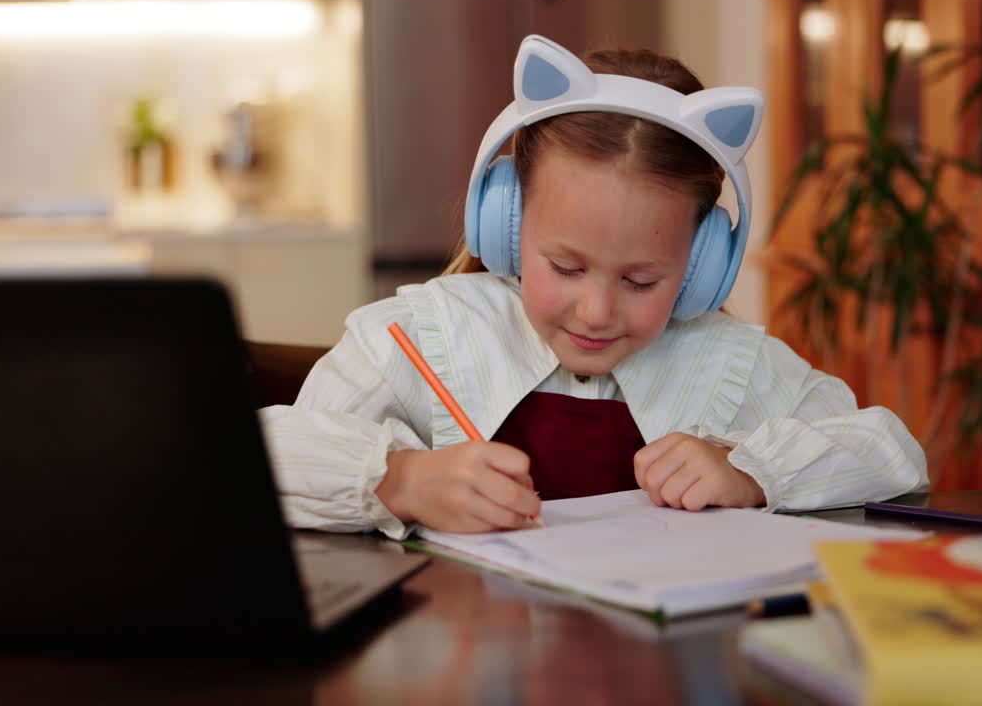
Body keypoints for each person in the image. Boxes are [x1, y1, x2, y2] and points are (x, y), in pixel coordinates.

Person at [260, 35, 927, 537]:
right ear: (507, 227)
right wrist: (397, 479)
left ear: (701, 264)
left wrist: (755, 471)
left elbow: (892, 451)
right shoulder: (420, 336)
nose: (597, 310)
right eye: (567, 267)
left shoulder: (733, 364)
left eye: (642, 279)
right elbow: (249, 455)